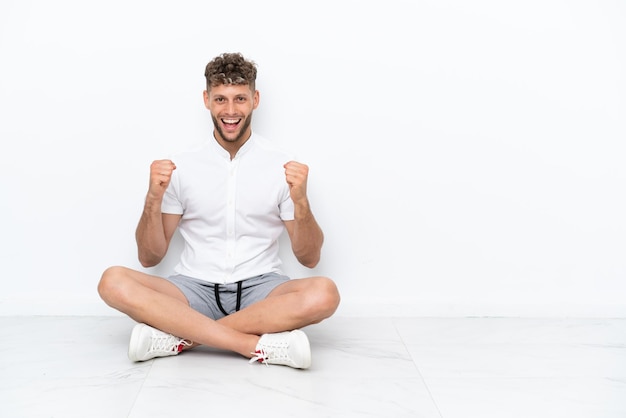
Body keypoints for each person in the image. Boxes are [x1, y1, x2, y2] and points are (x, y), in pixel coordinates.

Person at [98, 52, 340, 369]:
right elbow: (149, 257)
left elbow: (309, 259)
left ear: (255, 99)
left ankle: (181, 338)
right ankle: (251, 345)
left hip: (261, 290)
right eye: (220, 99)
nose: (230, 110)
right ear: (206, 100)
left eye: (240, 98)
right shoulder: (181, 164)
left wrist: (302, 202)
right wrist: (152, 199)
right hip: (191, 289)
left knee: (325, 293)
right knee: (112, 281)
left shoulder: (280, 165)